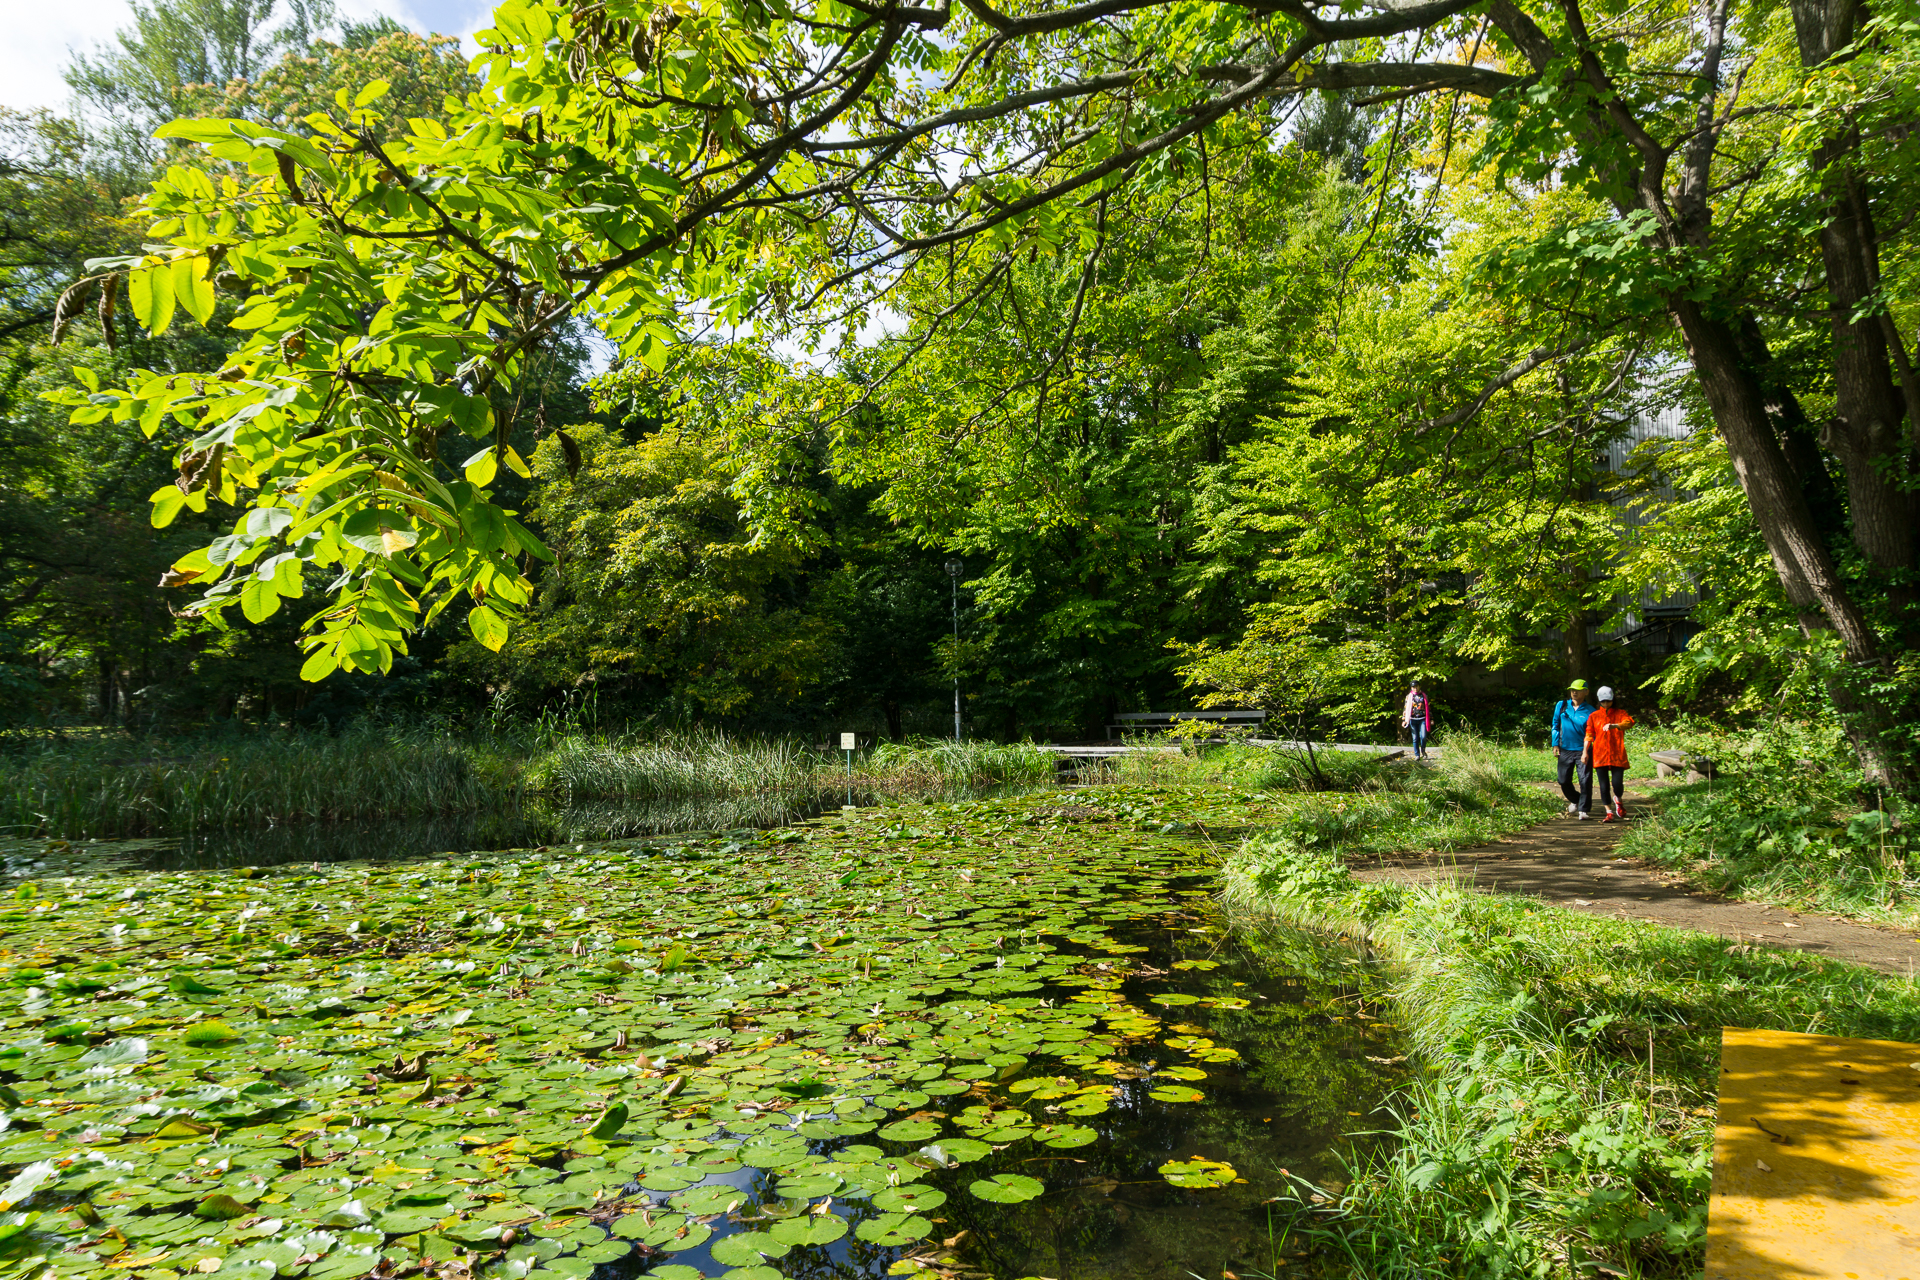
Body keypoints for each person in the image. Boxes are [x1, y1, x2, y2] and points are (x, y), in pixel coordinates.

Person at [1583, 685, 1636, 822]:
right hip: (1600, 755)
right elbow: (1589, 734)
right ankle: (1609, 812)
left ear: (1613, 700)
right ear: (1599, 701)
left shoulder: (1620, 713)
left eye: (1608, 701)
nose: (1606, 704)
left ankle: (1618, 798)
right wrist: (1585, 752)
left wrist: (1615, 725)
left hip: (1617, 754)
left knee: (1617, 784)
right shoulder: (1594, 716)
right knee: (1603, 785)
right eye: (1603, 701)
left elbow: (1629, 722)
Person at [1549, 680, 1596, 819]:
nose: (1574, 692)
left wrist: (1587, 751)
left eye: (1578, 689)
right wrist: (1555, 744)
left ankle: (1583, 810)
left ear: (1586, 692)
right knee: (1563, 780)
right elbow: (1555, 725)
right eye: (1572, 689)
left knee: (1585, 780)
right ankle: (1577, 799)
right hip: (1565, 749)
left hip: (1583, 750)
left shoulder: (1591, 711)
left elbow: (1593, 733)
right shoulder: (1562, 705)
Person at [1402, 680, 1432, 760]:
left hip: (1422, 719)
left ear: (1419, 686)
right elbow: (1405, 708)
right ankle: (1417, 755)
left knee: (1423, 737)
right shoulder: (1409, 697)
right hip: (1412, 719)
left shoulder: (1424, 696)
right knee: (1415, 738)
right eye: (1413, 687)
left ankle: (1423, 752)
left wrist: (1431, 718)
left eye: (1416, 686)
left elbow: (1428, 708)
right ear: (1411, 688)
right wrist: (1404, 719)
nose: (1415, 688)